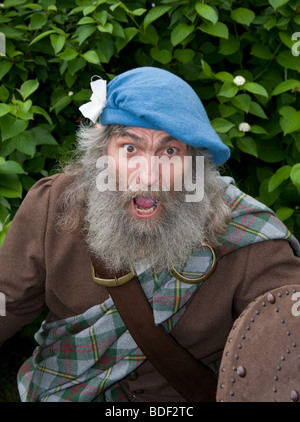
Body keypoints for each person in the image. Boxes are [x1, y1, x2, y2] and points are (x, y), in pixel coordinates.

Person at [0, 67, 299, 403]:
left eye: (170, 152)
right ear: (102, 154)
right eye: (130, 148)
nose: (149, 175)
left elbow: (289, 327)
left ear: (195, 163)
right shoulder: (54, 204)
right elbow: (5, 299)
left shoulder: (247, 234)